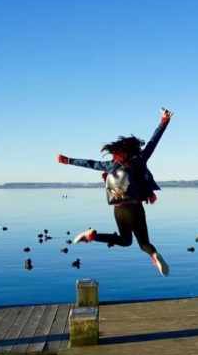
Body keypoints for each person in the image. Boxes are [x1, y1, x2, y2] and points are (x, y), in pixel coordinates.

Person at [56, 108, 173, 276]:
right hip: (135, 209)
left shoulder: (112, 166)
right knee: (143, 243)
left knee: (125, 241)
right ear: (133, 148)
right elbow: (153, 142)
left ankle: (93, 236)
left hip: (118, 209)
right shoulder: (139, 161)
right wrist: (164, 121)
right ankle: (154, 255)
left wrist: (67, 160)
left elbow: (90, 163)